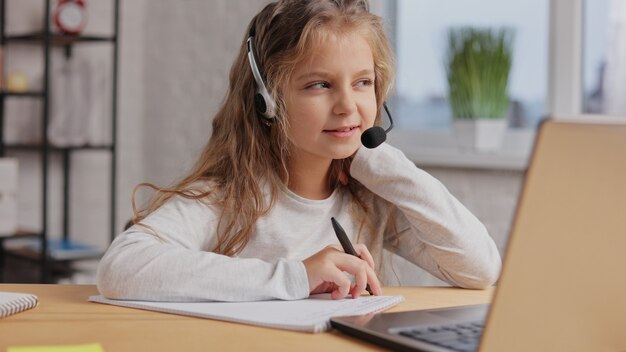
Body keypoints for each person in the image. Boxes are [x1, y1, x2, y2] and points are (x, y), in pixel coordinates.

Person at [96, 0, 501, 302]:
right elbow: (120, 268)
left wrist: (380, 162)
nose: (347, 106)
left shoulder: (372, 195)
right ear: (268, 99)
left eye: (362, 82)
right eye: (320, 85)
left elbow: (481, 269)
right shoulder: (230, 195)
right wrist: (295, 277)